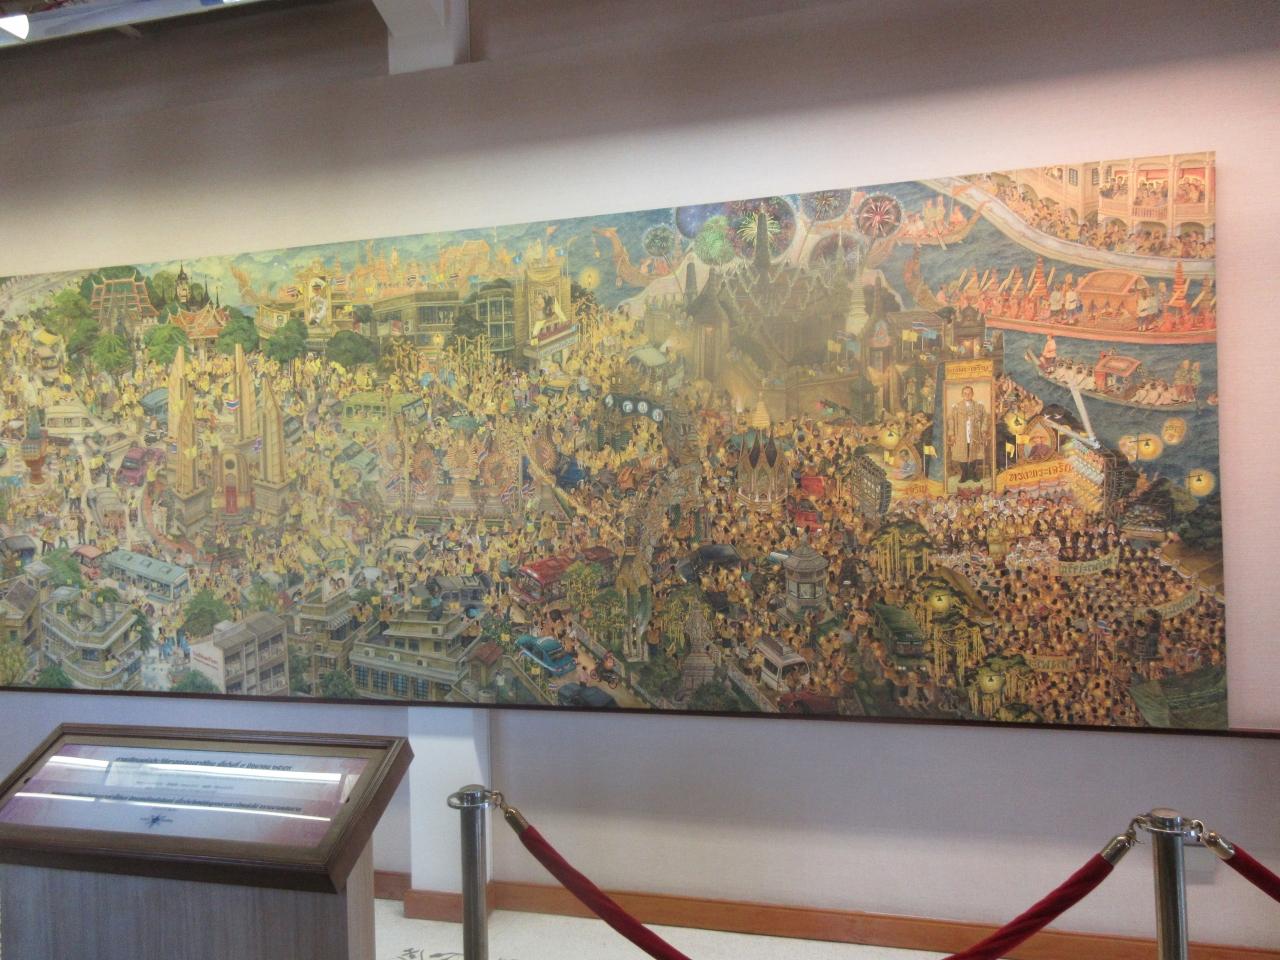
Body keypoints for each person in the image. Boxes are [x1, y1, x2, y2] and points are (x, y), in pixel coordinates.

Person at [947, 385, 988, 485]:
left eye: (969, 393)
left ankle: (972, 473)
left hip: (975, 434)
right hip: (961, 435)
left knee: (974, 453)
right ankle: (964, 474)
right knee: (962, 454)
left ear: (972, 394)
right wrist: (952, 434)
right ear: (962, 394)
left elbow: (985, 418)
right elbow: (951, 420)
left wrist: (983, 430)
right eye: (965, 393)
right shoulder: (956, 407)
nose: (967, 395)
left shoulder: (979, 406)